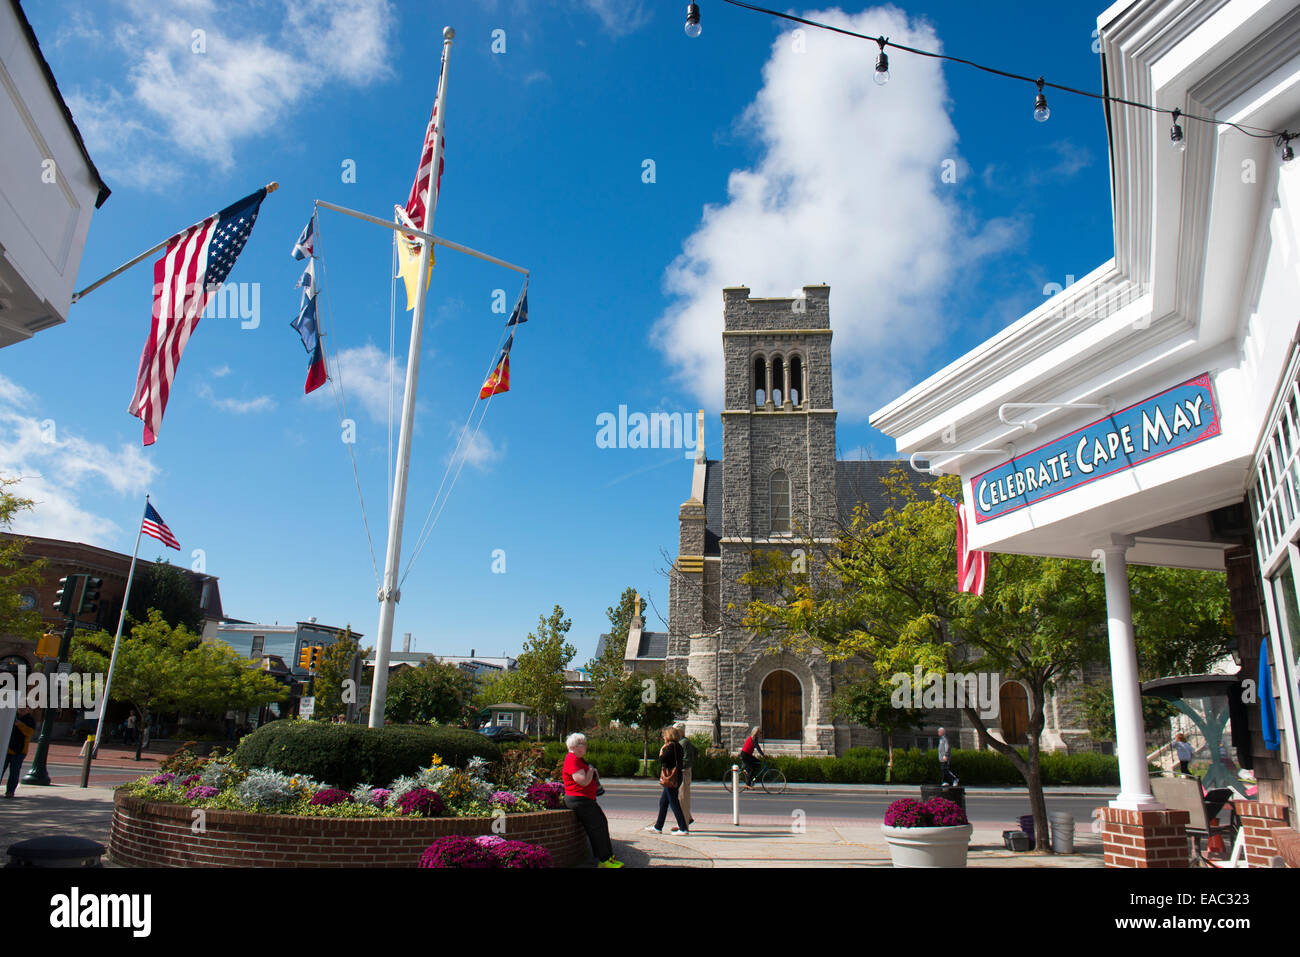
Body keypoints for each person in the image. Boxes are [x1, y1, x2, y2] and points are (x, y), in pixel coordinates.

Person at [562, 732, 622, 868]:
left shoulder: (578, 759)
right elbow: (582, 781)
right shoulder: (572, 759)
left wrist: (591, 772)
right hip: (579, 799)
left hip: (585, 799)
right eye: (584, 744)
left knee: (601, 823)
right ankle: (604, 860)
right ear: (576, 746)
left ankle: (608, 857)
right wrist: (590, 771)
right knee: (597, 827)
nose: (586, 746)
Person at [646, 727, 689, 835]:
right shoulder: (678, 746)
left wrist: (661, 751)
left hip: (671, 778)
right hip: (677, 776)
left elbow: (663, 760)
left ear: (669, 736)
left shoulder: (670, 747)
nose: (663, 737)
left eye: (664, 735)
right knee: (663, 802)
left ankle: (683, 828)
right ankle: (658, 827)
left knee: (674, 802)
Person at [4, 708, 37, 798]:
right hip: (6, 749)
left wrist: (19, 725)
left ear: (29, 710)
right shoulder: (12, 717)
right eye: (20, 709)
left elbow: (29, 732)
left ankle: (10, 791)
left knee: (14, 772)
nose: (21, 710)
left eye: (24, 709)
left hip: (19, 750)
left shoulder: (29, 720)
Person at [674, 722, 696, 827]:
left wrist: (676, 765)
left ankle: (684, 825)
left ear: (681, 731)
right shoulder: (682, 742)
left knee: (683, 798)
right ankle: (687, 818)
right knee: (681, 798)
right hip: (682, 772)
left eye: (675, 731)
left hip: (684, 773)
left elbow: (686, 760)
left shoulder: (684, 742)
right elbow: (696, 751)